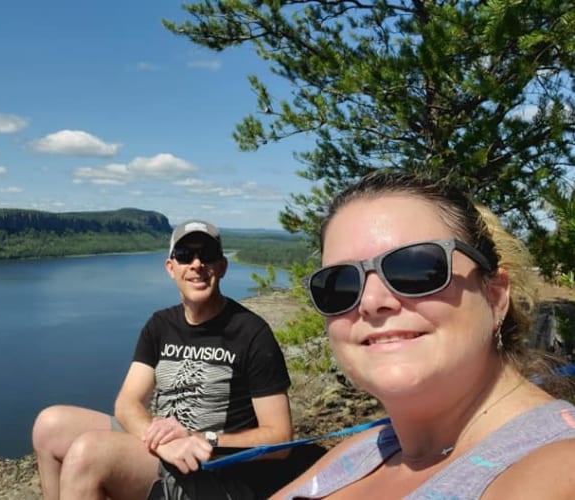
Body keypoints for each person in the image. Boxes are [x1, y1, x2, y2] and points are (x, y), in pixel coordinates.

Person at [271, 170, 575, 499]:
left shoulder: (559, 469)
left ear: (495, 296)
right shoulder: (367, 450)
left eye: (415, 268)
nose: (371, 302)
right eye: (339, 284)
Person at [32, 219, 306, 500]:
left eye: (207, 255)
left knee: (88, 454)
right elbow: (127, 402)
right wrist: (160, 442)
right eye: (185, 256)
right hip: (165, 448)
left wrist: (202, 440)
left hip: (212, 469)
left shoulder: (251, 332)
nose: (196, 264)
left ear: (222, 266)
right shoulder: (160, 325)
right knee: (50, 425)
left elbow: (280, 439)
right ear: (170, 267)